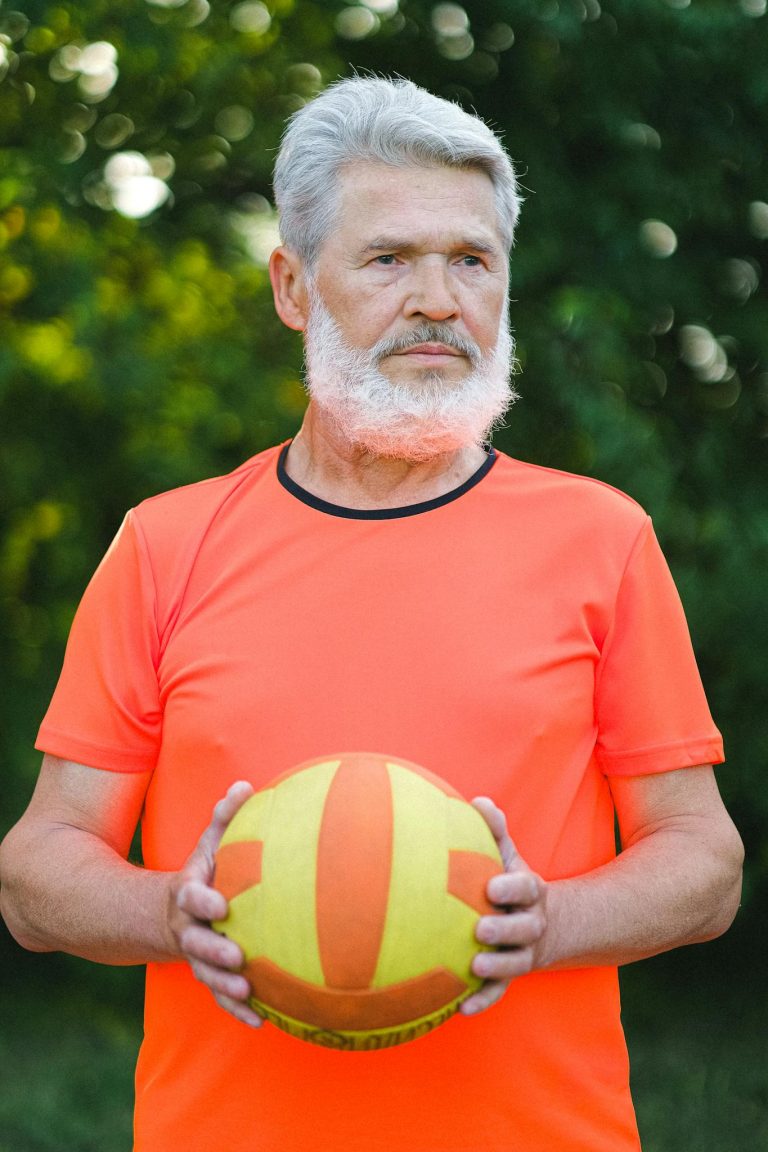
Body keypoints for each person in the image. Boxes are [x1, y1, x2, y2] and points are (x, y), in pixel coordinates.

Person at [0, 76, 743, 1152]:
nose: (439, 300)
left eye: (472, 261)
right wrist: (170, 912)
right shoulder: (165, 545)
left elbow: (705, 862)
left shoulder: (602, 538)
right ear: (295, 286)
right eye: (390, 259)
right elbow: (39, 868)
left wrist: (551, 924)